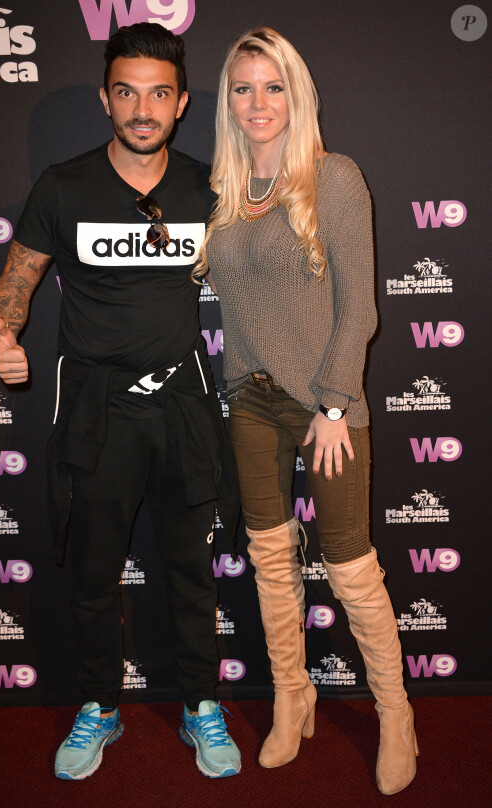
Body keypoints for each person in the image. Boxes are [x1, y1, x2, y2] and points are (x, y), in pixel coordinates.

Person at [0, 23, 241, 781]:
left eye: (158, 93)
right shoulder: (63, 186)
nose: (142, 108)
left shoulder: (209, 186)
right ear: (105, 99)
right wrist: (3, 331)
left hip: (185, 404)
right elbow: (18, 275)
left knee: (191, 572)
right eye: (126, 92)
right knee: (95, 575)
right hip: (98, 410)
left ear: (181, 102)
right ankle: (99, 704)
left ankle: (202, 703)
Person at [196, 27, 418, 795]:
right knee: (270, 561)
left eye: (273, 85)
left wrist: (331, 404)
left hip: (327, 406)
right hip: (248, 402)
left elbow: (360, 309)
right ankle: (295, 698)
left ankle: (397, 715)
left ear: (298, 92)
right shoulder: (225, 194)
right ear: (228, 101)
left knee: (353, 568)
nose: (258, 102)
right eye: (243, 87)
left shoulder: (334, 177)